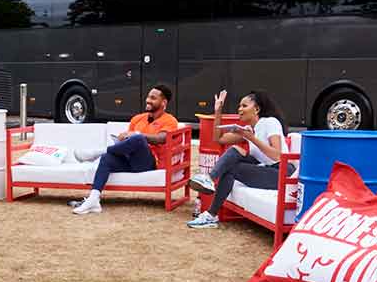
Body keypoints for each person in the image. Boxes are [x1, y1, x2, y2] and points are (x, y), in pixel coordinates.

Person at [186, 90, 292, 229]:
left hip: (282, 172)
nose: (240, 109)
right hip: (267, 169)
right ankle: (210, 192)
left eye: (244, 106)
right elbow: (219, 139)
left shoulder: (270, 122)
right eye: (239, 106)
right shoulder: (249, 128)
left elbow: (277, 155)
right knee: (235, 151)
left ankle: (211, 210)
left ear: (257, 109)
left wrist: (251, 137)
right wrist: (218, 111)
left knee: (233, 169)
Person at [71, 84, 179, 215]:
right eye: (148, 96)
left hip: (149, 163)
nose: (148, 100)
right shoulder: (137, 118)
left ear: (163, 103)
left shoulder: (170, 120)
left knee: (139, 139)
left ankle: (98, 152)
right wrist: (123, 139)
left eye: (153, 98)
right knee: (107, 159)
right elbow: (129, 143)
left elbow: (162, 138)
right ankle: (94, 200)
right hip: (130, 160)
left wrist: (137, 135)